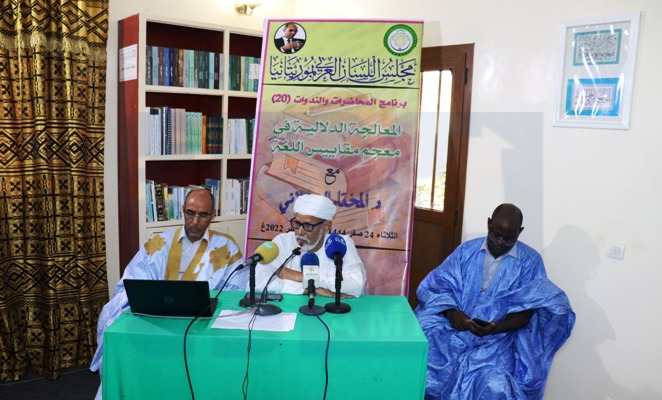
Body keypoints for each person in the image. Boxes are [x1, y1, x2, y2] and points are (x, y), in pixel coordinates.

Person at [90, 188, 248, 398]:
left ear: (213, 215)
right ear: (182, 210)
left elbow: (236, 291)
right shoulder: (158, 243)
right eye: (190, 213)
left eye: (203, 215)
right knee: (117, 327)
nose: (195, 221)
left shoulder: (227, 248)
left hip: (202, 321)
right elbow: (131, 283)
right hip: (155, 317)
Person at [414, 203, 575, 400]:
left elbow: (527, 311)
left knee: (495, 384)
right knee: (420, 348)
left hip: (499, 338)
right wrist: (451, 312)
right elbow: (436, 285)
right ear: (489, 224)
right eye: (495, 234)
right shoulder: (466, 250)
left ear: (520, 232)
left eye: (508, 238)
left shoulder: (530, 262)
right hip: (454, 325)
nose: (500, 242)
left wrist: (494, 329)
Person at [254, 194, 366, 298]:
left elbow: (356, 285)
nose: (300, 232)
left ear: (326, 227)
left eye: (308, 226)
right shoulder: (283, 242)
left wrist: (302, 277)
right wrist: (310, 289)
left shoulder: (340, 243)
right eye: (297, 224)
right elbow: (257, 282)